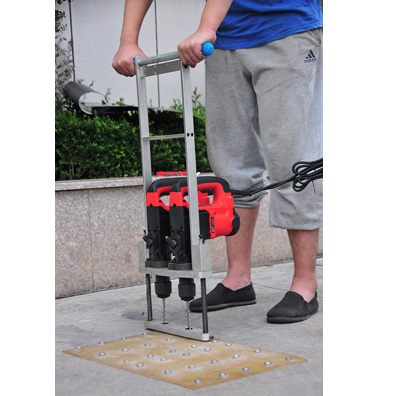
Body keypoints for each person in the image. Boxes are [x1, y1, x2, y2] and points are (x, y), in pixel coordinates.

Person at [113, 0, 323, 323]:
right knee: (231, 163)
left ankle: (305, 283)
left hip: (286, 28)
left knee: (292, 159)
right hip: (227, 39)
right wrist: (128, 39)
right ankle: (238, 279)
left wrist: (206, 27)